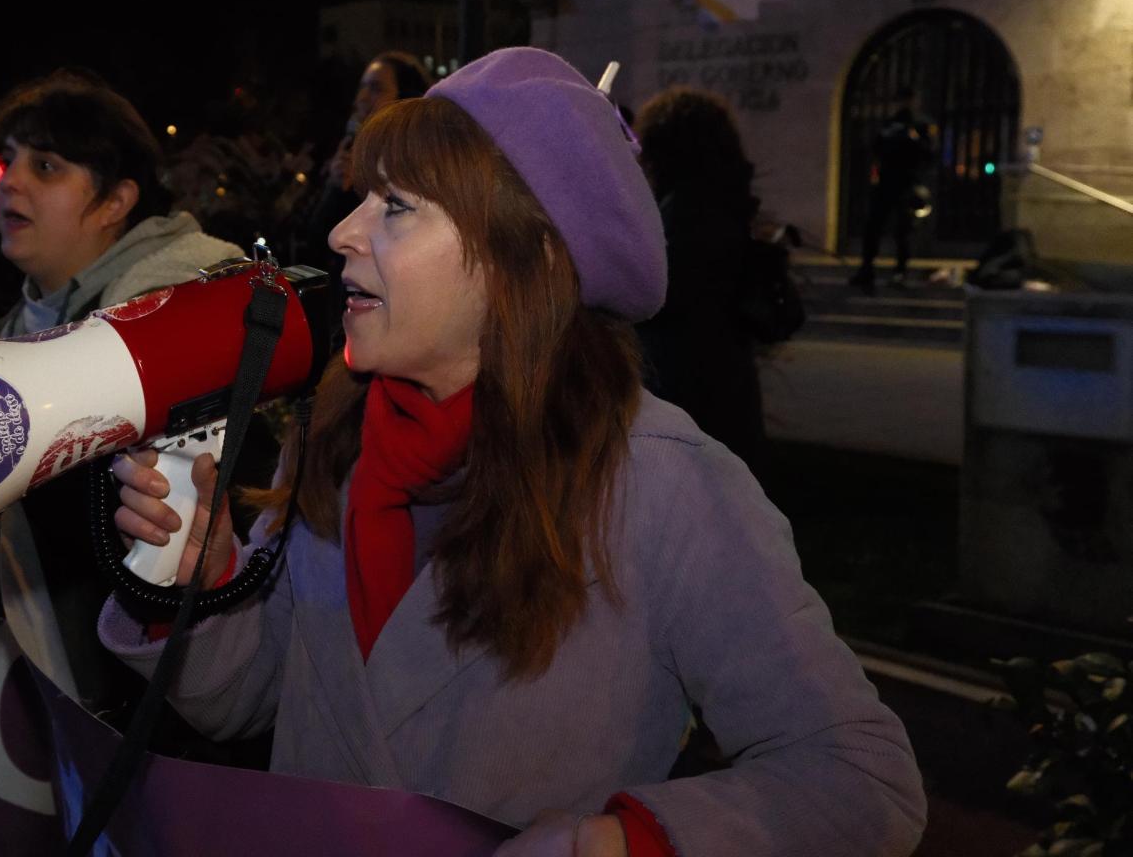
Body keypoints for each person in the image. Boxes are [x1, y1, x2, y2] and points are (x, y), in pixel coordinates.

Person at [104, 48, 926, 856]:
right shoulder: (331, 437)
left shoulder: (665, 484)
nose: (342, 232)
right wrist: (197, 579)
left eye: (396, 206)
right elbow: (245, 701)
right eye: (360, 200)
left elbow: (860, 777)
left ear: (523, 261)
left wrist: (627, 841)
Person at [0, 71, 244, 712]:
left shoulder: (178, 312)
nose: (9, 182)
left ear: (114, 202)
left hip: (146, 700)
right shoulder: (7, 332)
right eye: (8, 160)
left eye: (46, 166)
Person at [631, 87, 767, 469]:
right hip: (721, 385)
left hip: (683, 386)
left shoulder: (687, 215)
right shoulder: (724, 205)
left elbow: (658, 294)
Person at [290, 51, 431, 269]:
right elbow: (311, 240)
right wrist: (334, 187)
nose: (362, 98)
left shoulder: (417, 165)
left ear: (406, 98)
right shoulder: (343, 154)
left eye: (376, 88)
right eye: (362, 87)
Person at [850, 85, 934, 292]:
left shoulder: (920, 125)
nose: (905, 104)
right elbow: (876, 147)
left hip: (907, 182)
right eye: (902, 100)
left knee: (902, 230)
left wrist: (914, 141)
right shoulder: (890, 124)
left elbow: (929, 154)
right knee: (873, 226)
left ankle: (900, 272)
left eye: (908, 100)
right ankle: (867, 269)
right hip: (887, 181)